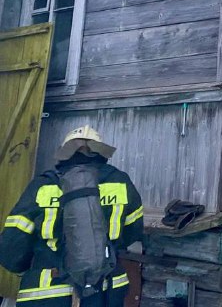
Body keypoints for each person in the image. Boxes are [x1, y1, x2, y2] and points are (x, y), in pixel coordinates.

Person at [0, 126, 143, 306]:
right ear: (100, 152)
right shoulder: (121, 183)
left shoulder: (42, 186)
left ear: (64, 153)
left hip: (47, 293)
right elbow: (132, 234)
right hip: (105, 292)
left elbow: (10, 250)